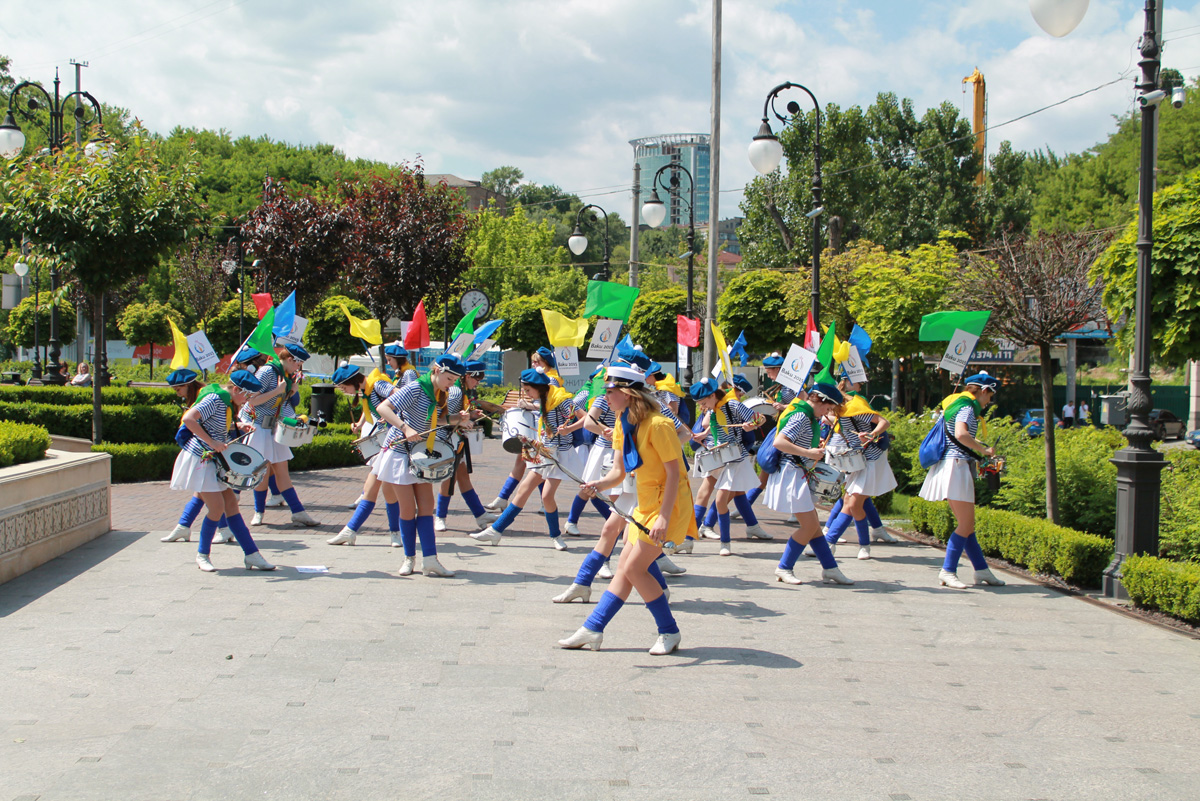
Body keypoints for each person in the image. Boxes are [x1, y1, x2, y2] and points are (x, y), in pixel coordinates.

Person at [558, 364, 695, 655]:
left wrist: (664, 517)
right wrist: (597, 483)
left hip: (668, 504)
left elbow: (674, 474)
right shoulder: (622, 422)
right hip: (644, 503)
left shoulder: (659, 424)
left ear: (628, 393)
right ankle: (592, 629)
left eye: (610, 391)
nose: (605, 396)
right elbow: (618, 473)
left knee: (633, 568)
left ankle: (669, 631)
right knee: (624, 569)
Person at [373, 354, 473, 577]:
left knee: (427, 507)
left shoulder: (441, 393)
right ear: (437, 370)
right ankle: (409, 558)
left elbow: (438, 422)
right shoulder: (417, 387)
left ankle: (430, 560)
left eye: (454, 380)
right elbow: (383, 408)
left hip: (422, 454)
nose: (451, 384)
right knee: (408, 509)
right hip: (400, 452)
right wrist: (405, 427)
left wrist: (461, 418)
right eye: (449, 378)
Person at [168, 369, 275, 572]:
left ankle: (252, 555)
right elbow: (189, 419)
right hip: (201, 458)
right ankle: (202, 556)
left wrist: (239, 425)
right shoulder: (216, 399)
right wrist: (211, 442)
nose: (248, 401)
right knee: (217, 508)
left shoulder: (226, 400)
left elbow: (215, 424)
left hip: (213, 459)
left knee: (231, 505)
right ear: (236, 389)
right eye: (247, 396)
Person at [471, 367, 584, 550]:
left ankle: (555, 536)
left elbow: (586, 418)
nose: (526, 393)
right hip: (544, 451)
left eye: (528, 390)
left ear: (538, 387)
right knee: (524, 489)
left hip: (560, 454)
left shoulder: (562, 400)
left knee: (547, 496)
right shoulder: (543, 399)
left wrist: (569, 429)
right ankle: (496, 531)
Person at [918, 372, 1006, 589]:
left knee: (967, 526)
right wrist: (983, 449)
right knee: (966, 524)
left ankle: (982, 570)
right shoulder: (967, 407)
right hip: (956, 467)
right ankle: (948, 570)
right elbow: (961, 435)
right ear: (984, 391)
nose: (989, 402)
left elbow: (961, 435)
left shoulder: (958, 404)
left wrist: (981, 448)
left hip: (951, 466)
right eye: (990, 396)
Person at [766, 383, 854, 585]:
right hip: (792, 474)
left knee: (813, 526)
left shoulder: (806, 416)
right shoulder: (801, 416)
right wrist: (809, 452)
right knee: (810, 526)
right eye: (828, 407)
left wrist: (811, 448)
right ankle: (784, 567)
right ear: (820, 400)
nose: (828, 412)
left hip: (797, 474)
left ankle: (830, 568)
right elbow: (779, 442)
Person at [687, 377, 769, 556]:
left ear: (713, 395)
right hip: (718, 456)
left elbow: (760, 419)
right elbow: (716, 426)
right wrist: (704, 434)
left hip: (733, 458)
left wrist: (751, 425)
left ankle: (725, 543)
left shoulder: (732, 405)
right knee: (703, 493)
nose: (703, 406)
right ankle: (688, 539)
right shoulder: (715, 407)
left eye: (704, 402)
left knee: (720, 500)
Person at [820, 377, 899, 560]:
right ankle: (864, 544)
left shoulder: (855, 407)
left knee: (852, 503)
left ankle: (830, 543)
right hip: (857, 459)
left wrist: (870, 434)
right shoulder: (840, 410)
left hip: (871, 459)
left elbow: (884, 422)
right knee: (852, 503)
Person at [326, 364, 404, 547]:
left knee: (378, 490)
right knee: (384, 491)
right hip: (387, 443)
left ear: (352, 381)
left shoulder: (377, 385)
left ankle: (352, 531)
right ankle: (392, 534)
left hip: (394, 443)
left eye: (344, 388)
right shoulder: (368, 389)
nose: (345, 392)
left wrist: (393, 415)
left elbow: (403, 396)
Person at [161, 368, 234, 545]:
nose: (178, 395)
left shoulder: (209, 396)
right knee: (206, 494)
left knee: (214, 500)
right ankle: (185, 527)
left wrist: (214, 441)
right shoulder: (209, 396)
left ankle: (209, 536)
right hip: (206, 453)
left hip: (204, 454)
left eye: (178, 389)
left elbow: (191, 420)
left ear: (187, 385)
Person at [432, 359, 501, 532]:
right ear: (468, 376)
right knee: (449, 479)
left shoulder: (460, 391)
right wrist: (466, 420)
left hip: (454, 439)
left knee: (463, 478)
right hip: (447, 439)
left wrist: (470, 415)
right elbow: (448, 418)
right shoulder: (455, 392)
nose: (478, 383)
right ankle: (440, 516)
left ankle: (479, 514)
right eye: (477, 379)